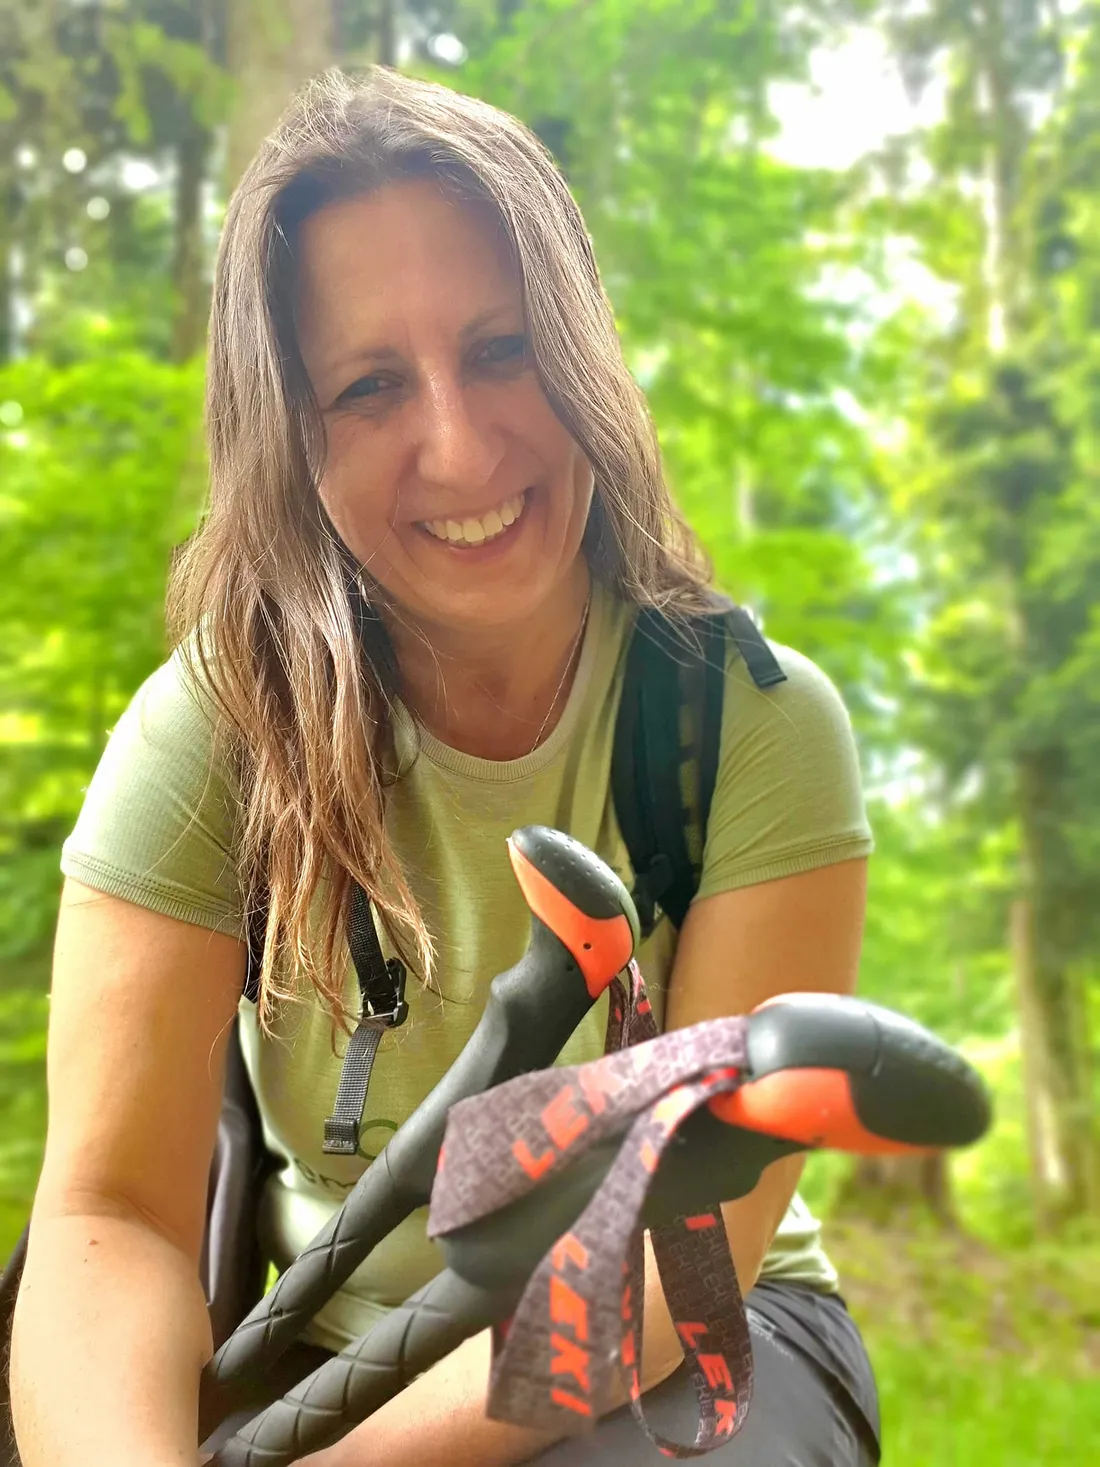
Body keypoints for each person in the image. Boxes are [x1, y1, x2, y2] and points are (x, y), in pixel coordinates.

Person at [10, 67, 881, 1467]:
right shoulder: (215, 730)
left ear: (585, 356)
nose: (462, 447)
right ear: (291, 439)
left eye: (503, 348)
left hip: (694, 1331)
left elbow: (687, 1242)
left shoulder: (753, 728)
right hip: (319, 1341)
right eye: (369, 385)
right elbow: (112, 1213)